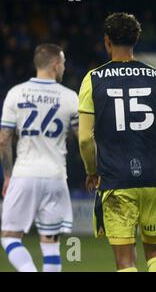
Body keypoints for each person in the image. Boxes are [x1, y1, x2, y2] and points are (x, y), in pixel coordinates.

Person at [78, 12, 156, 272]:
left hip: (115, 180)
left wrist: (91, 170)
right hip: (152, 178)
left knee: (125, 262)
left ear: (106, 41)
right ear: (136, 40)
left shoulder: (92, 79)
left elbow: (85, 138)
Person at [0, 44, 79, 272]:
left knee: (10, 237)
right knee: (51, 244)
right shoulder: (69, 97)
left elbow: (3, 140)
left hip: (24, 174)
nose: (64, 67)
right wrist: (92, 170)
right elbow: (83, 139)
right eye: (62, 62)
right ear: (56, 65)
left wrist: (7, 175)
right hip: (56, 176)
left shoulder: (16, 93)